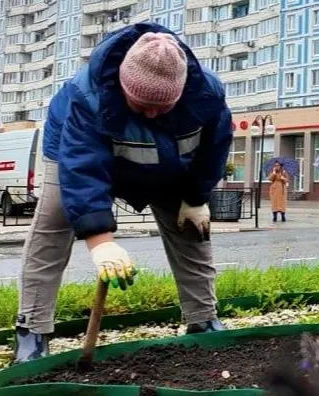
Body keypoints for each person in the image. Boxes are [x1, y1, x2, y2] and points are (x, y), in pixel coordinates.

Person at [13, 23, 234, 363]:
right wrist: (101, 242)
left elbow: (214, 150)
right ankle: (32, 331)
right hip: (73, 155)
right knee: (52, 226)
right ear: (122, 84)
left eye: (162, 106)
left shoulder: (207, 95)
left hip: (169, 162)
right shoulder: (85, 97)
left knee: (191, 230)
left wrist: (195, 197)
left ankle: (203, 319)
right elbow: (83, 168)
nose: (150, 113)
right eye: (142, 103)